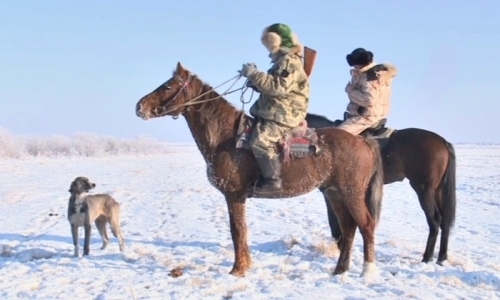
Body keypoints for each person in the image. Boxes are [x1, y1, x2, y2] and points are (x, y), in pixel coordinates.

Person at [238, 23, 310, 197]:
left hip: (285, 113)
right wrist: (256, 83)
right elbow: (274, 85)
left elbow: (278, 87)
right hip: (276, 108)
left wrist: (254, 75)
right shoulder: (283, 61)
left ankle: (273, 182)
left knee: (260, 140)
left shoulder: (289, 61)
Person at [337, 48, 398, 135]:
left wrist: (351, 91)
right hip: (366, 114)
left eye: (354, 64)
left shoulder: (370, 77)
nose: (353, 67)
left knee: (337, 135)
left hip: (368, 116)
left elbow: (369, 100)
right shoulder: (365, 73)